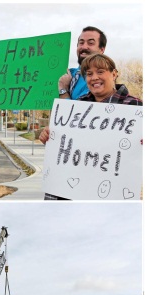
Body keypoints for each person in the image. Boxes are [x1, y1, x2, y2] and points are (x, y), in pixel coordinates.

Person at [44, 53, 142, 200]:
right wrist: (50, 137)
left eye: (100, 72)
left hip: (111, 195)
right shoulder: (78, 106)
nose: (94, 77)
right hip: (68, 193)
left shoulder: (134, 107)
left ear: (114, 74)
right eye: (89, 74)